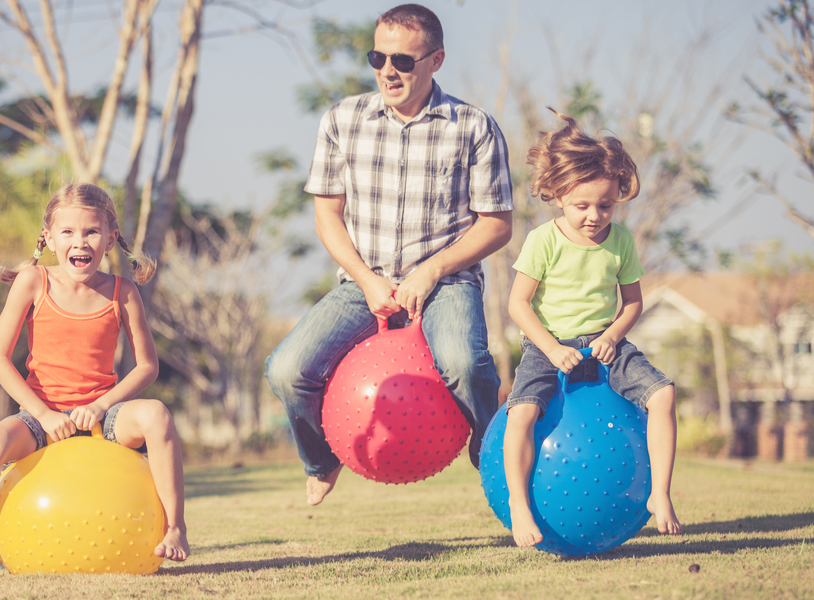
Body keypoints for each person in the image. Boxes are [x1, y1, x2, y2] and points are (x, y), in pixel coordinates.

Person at [265, 3, 513, 506]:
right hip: (364, 282)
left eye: (402, 60)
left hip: (447, 282)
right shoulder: (341, 119)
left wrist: (432, 271)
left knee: (464, 361)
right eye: (377, 57)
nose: (387, 71)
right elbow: (327, 216)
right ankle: (320, 460)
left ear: (436, 60)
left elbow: (497, 224)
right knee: (286, 370)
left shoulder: (474, 127)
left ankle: (493, 455)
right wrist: (368, 279)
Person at [0, 184, 189, 584]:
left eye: (91, 232)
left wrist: (101, 406)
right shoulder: (33, 282)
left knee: (156, 414)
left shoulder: (124, 292)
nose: (79, 241)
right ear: (49, 238)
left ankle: (176, 528)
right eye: (67, 232)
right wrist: (45, 415)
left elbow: (146, 367)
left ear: (111, 239)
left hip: (105, 417)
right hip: (40, 417)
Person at [503, 108, 683, 547]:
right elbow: (518, 304)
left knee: (663, 394)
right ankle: (519, 503)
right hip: (547, 346)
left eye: (605, 205)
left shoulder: (620, 242)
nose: (594, 215)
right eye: (582, 205)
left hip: (606, 345)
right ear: (559, 195)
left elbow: (633, 303)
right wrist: (549, 347)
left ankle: (659, 493)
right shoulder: (543, 241)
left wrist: (611, 336)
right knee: (522, 412)